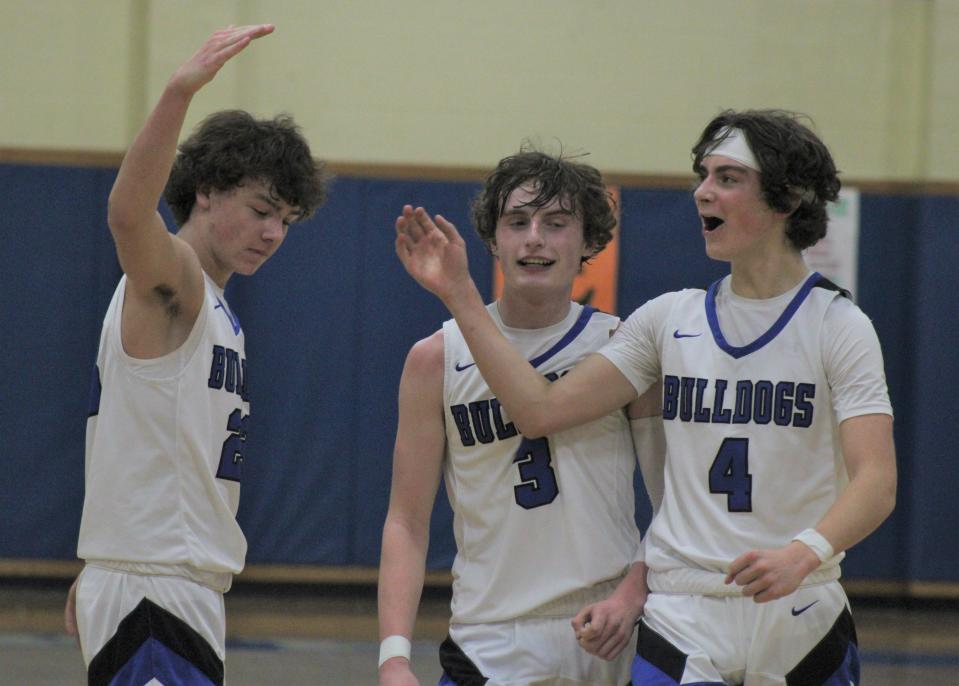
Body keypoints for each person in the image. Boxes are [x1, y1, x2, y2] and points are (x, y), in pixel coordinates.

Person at [395, 110, 897, 685]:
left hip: (801, 603)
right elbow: (539, 411)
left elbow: (876, 480)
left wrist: (806, 550)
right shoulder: (665, 322)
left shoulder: (839, 326)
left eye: (727, 178)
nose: (702, 191)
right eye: (702, 175)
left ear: (785, 199)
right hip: (682, 613)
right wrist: (460, 294)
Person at [63, 24, 328, 685]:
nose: (272, 232)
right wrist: (179, 93)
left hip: (161, 584)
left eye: (286, 220)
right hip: (156, 593)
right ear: (207, 190)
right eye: (262, 209)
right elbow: (128, 212)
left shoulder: (215, 307)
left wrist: (106, 559)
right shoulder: (176, 277)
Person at [377, 149, 664, 686]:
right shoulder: (435, 358)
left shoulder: (624, 347)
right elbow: (406, 522)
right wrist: (393, 655)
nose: (535, 238)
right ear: (493, 239)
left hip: (606, 631)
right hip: (489, 636)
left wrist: (633, 593)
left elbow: (676, 506)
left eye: (556, 224)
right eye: (517, 222)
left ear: (588, 243)